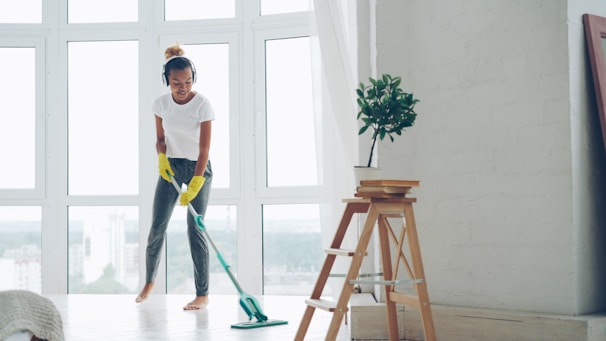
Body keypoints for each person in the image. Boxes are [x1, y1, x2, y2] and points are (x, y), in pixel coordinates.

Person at [136, 44, 214, 310]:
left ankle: (202, 294)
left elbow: (204, 149)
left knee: (196, 230)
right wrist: (161, 158)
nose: (183, 87)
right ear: (167, 80)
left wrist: (196, 182)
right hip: (170, 166)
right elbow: (160, 139)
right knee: (157, 225)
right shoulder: (160, 104)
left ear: (194, 78)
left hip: (198, 168)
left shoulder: (202, 105)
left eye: (188, 81)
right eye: (176, 82)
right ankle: (149, 282)